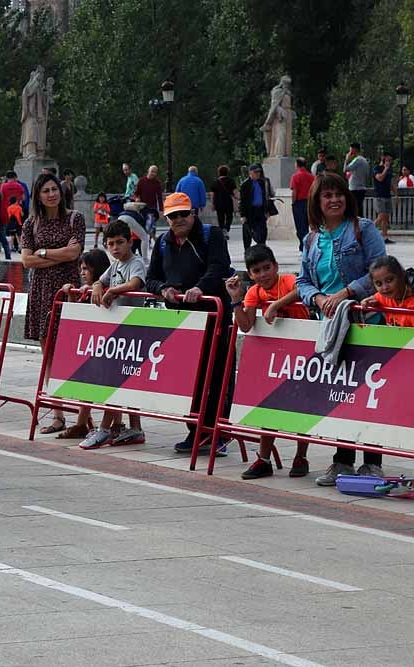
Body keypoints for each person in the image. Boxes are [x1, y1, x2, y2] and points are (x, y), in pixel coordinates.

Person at [294, 172, 386, 485]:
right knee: (342, 396)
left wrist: (345, 294)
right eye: (327, 195)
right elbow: (302, 281)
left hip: (367, 323)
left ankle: (372, 462)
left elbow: (381, 270)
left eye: (339, 194)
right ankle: (342, 461)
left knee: (370, 397)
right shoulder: (311, 239)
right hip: (332, 329)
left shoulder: (364, 229)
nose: (334, 200)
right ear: (316, 203)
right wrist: (318, 298)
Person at [146, 192, 235, 456]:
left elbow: (219, 267)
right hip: (183, 322)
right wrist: (164, 289)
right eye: (173, 216)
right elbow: (151, 278)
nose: (179, 219)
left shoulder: (212, 235)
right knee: (191, 378)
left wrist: (199, 288)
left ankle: (218, 432)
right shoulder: (163, 242)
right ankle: (195, 430)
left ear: (193, 213)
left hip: (213, 316)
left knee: (218, 375)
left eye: (183, 214)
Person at [225, 244, 311, 479]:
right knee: (268, 406)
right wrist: (235, 300)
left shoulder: (288, 281)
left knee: (303, 407)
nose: (263, 274)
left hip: (304, 355)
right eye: (256, 271)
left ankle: (301, 456)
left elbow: (302, 291)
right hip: (275, 358)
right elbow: (245, 325)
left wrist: (275, 304)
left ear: (276, 266)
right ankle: (264, 459)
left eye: (266, 268)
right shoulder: (253, 292)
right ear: (250, 274)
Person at [22, 172, 85, 434]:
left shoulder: (74, 218)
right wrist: (61, 255)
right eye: (45, 190)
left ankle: (82, 416)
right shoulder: (31, 223)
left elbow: (76, 252)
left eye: (54, 189)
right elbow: (26, 260)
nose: (51, 194)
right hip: (40, 291)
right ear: (38, 195)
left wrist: (44, 253)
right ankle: (58, 413)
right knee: (47, 354)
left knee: (74, 352)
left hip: (67, 290)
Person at [77, 220, 148, 449]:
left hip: (133, 331)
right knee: (123, 381)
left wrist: (113, 290)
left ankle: (105, 429)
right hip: (118, 332)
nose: (115, 248)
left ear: (129, 241)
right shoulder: (115, 264)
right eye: (111, 244)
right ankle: (135, 428)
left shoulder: (135, 262)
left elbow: (136, 283)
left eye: (120, 243)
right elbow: (102, 280)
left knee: (115, 381)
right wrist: (98, 286)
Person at [54, 247, 110, 441]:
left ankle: (91, 424)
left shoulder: (104, 289)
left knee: (100, 388)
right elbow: (75, 316)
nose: (82, 272)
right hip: (91, 346)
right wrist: (71, 294)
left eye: (86, 268)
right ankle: (83, 423)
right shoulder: (85, 291)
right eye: (81, 268)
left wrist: (95, 287)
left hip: (105, 347)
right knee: (86, 384)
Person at [362, 255, 414, 326]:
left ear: (401, 275)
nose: (385, 287)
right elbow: (371, 300)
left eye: (389, 280)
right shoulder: (383, 297)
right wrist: (366, 302)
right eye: (379, 284)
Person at [238, 164, 274, 253]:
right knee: (248, 232)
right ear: (250, 173)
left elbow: (265, 197)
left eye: (259, 172)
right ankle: (247, 250)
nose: (258, 174)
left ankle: (262, 248)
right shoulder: (245, 185)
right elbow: (242, 201)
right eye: (256, 172)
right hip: (250, 211)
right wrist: (243, 215)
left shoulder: (261, 182)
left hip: (260, 210)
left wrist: (267, 210)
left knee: (263, 230)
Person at [289, 157, 315, 251]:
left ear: (297, 164)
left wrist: (293, 203)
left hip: (299, 203)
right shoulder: (312, 176)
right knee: (311, 225)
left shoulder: (295, 176)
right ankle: (310, 246)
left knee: (301, 227)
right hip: (310, 203)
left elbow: (294, 191)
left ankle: (303, 246)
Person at [133, 165, 164, 239]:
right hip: (143, 207)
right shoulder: (141, 181)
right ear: (148, 171)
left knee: (151, 225)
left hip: (152, 208)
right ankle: (149, 239)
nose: (153, 173)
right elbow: (136, 193)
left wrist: (161, 210)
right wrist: (137, 198)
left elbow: (159, 197)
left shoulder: (157, 183)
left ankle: (152, 240)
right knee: (144, 225)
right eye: (152, 171)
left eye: (155, 172)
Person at [372, 152, 395, 244]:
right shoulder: (376, 168)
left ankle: (384, 237)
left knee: (386, 217)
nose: (389, 162)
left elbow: (390, 183)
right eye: (388, 160)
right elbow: (380, 178)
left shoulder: (390, 170)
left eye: (390, 160)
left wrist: (396, 194)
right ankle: (366, 231)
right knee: (381, 216)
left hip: (387, 195)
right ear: (383, 159)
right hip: (379, 195)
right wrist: (385, 168)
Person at [209, 165, 237, 238]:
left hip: (218, 202)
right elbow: (235, 192)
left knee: (220, 217)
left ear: (219, 172)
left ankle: (222, 230)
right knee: (229, 217)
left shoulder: (215, 182)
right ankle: (226, 228)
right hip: (228, 202)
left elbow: (212, 194)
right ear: (227, 172)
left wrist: (212, 204)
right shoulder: (231, 181)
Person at [345, 142, 370, 214]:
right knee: (358, 210)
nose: (349, 153)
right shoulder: (364, 160)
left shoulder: (357, 160)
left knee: (354, 210)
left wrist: (346, 159)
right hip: (360, 187)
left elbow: (345, 169)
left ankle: (356, 224)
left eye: (350, 151)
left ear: (354, 150)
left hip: (355, 189)